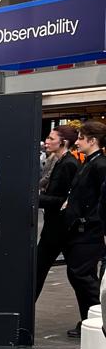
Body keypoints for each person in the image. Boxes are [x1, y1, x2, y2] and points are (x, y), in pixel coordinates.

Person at [61, 121, 106, 337]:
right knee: (79, 274)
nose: (77, 142)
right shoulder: (90, 162)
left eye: (81, 138)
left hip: (89, 231)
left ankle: (95, 320)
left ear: (92, 140)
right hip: (83, 229)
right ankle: (90, 319)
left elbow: (101, 200)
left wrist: (89, 221)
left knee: (82, 275)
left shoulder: (99, 165)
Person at [35, 125, 80, 302]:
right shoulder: (61, 161)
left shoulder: (68, 164)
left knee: (40, 268)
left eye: (51, 138)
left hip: (59, 228)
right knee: (76, 274)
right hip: (56, 227)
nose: (46, 141)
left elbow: (63, 199)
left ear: (64, 142)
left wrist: (37, 199)